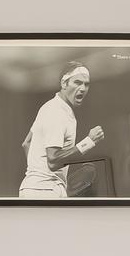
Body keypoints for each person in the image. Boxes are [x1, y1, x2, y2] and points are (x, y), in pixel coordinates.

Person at [17, 62, 107, 198]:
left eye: (86, 84)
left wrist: (39, 173)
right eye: (77, 82)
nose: (83, 88)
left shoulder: (49, 107)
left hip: (33, 187)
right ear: (64, 83)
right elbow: (53, 161)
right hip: (45, 190)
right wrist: (89, 142)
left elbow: (27, 143)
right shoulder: (57, 112)